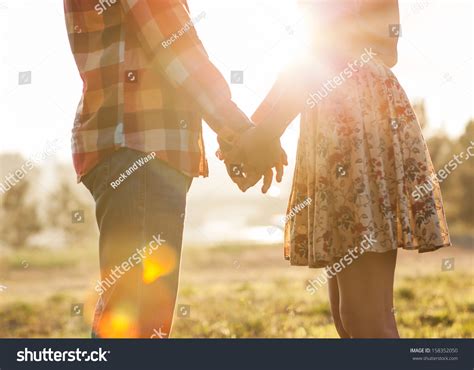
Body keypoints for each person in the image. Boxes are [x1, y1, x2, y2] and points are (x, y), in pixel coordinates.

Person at [227, 0, 451, 338]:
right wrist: (254, 130)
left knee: (364, 318)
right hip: (341, 118)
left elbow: (326, 53)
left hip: (353, 120)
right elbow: (308, 57)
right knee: (351, 318)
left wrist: (260, 136)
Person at [64, 0, 283, 338]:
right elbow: (177, 51)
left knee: (132, 311)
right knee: (138, 317)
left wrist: (233, 136)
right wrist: (240, 133)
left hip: (128, 145)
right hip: (140, 146)